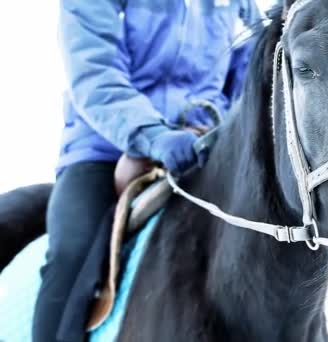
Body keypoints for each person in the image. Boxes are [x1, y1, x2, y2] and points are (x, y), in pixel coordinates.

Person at [33, 1, 260, 341]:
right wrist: (152, 135)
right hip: (105, 148)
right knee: (71, 254)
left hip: (204, 151)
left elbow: (252, 76)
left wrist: (224, 134)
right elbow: (95, 74)